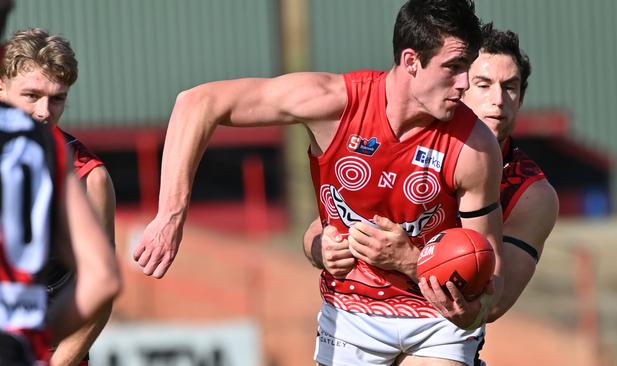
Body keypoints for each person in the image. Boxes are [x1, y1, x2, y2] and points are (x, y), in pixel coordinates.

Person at [134, 0, 504, 365]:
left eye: (467, 69)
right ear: (411, 61)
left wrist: (410, 262)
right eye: (453, 68)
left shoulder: (475, 147)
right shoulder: (335, 103)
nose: (463, 84)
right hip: (350, 314)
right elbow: (198, 103)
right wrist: (170, 214)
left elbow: (488, 283)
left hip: (434, 322)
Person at [303, 22, 559, 364]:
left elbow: (491, 304)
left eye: (510, 87)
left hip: (440, 330)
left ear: (521, 98)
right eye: (483, 84)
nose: (498, 100)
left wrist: (411, 262)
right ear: (459, 84)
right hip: (358, 318)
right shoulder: (409, 138)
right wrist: (322, 248)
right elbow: (323, 228)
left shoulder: (532, 194)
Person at [0, 28, 117, 366]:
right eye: (31, 95)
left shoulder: (88, 177)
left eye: (57, 98)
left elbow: (99, 294)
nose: (43, 111)